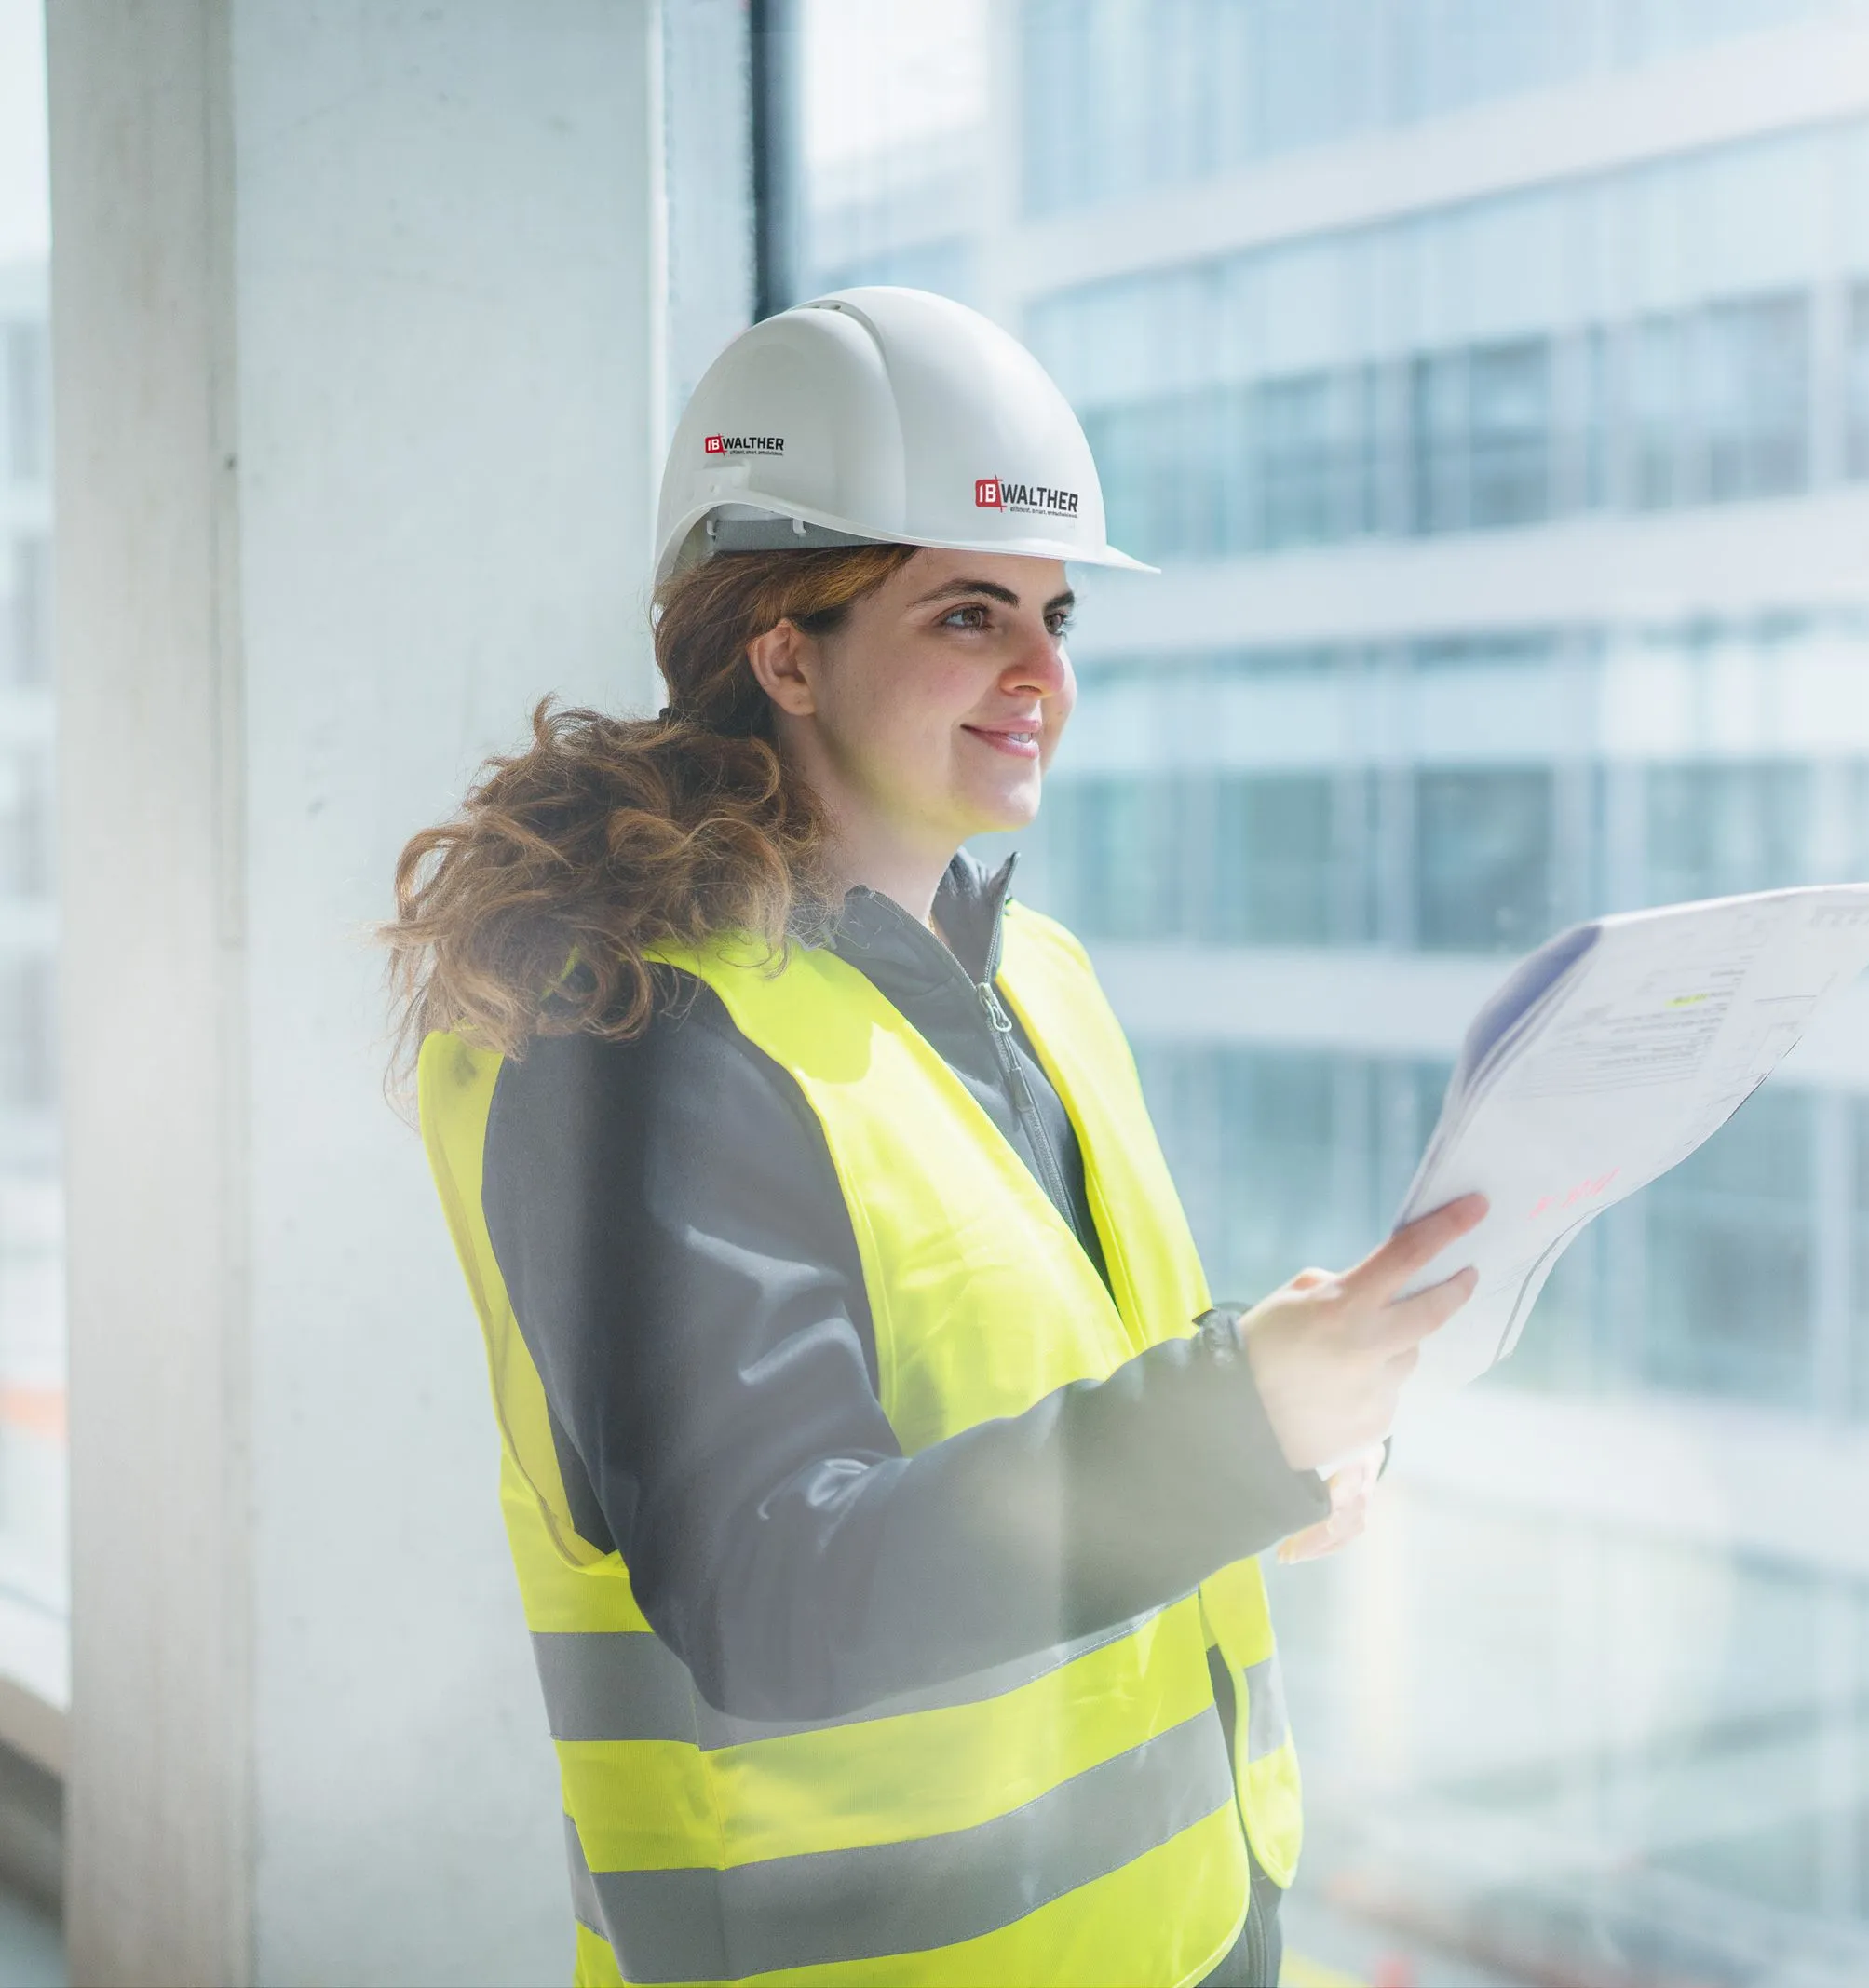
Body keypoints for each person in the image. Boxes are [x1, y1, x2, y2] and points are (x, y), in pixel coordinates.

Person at [383, 286, 1483, 1988]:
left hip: (1188, 1943)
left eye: (1055, 614)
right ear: (783, 649)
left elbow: (1031, 1419)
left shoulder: (1035, 979)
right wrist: (1233, 1417)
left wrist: (1272, 1455)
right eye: (972, 615)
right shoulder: (643, 1047)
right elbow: (774, 1583)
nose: (1043, 672)